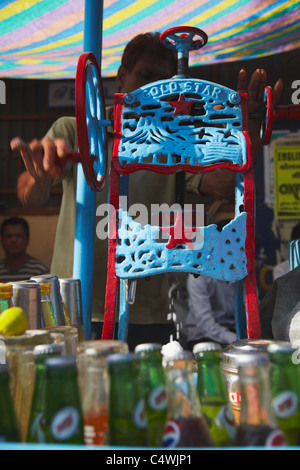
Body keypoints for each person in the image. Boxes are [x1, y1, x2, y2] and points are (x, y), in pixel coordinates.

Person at [10, 32, 283, 350]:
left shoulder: (181, 147)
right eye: (146, 76)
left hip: (148, 316)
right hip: (74, 307)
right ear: (121, 77)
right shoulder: (74, 130)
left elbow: (224, 183)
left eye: (165, 83)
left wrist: (242, 136)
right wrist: (41, 175)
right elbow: (29, 193)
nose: (154, 91)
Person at [184, 220, 237, 349]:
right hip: (202, 336)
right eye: (225, 245)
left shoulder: (240, 274)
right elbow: (205, 322)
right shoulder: (199, 276)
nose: (230, 251)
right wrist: (236, 339)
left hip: (234, 334)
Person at [0, 217, 49, 282]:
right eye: (9, 236)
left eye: (18, 236)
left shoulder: (40, 270)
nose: (13, 240)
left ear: (27, 239)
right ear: (2, 240)